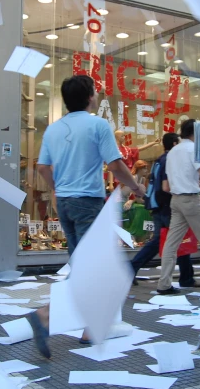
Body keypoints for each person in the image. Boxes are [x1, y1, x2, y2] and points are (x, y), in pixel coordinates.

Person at [25, 75, 145, 359]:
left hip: (65, 203)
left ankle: (90, 327)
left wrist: (58, 189)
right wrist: (136, 186)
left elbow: (42, 167)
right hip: (88, 202)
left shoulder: (54, 129)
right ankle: (46, 315)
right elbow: (115, 164)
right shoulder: (98, 125)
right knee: (92, 264)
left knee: (85, 262)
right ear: (91, 97)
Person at [157, 119, 200, 294]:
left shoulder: (172, 151)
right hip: (191, 199)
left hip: (176, 199)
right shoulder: (194, 149)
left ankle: (164, 283)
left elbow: (169, 181)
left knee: (172, 242)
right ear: (197, 132)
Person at [129, 133, 200, 287]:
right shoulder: (171, 159)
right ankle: (186, 278)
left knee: (161, 240)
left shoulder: (160, 160)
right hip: (168, 206)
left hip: (158, 205)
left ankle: (132, 268)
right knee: (178, 238)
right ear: (175, 144)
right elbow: (166, 186)